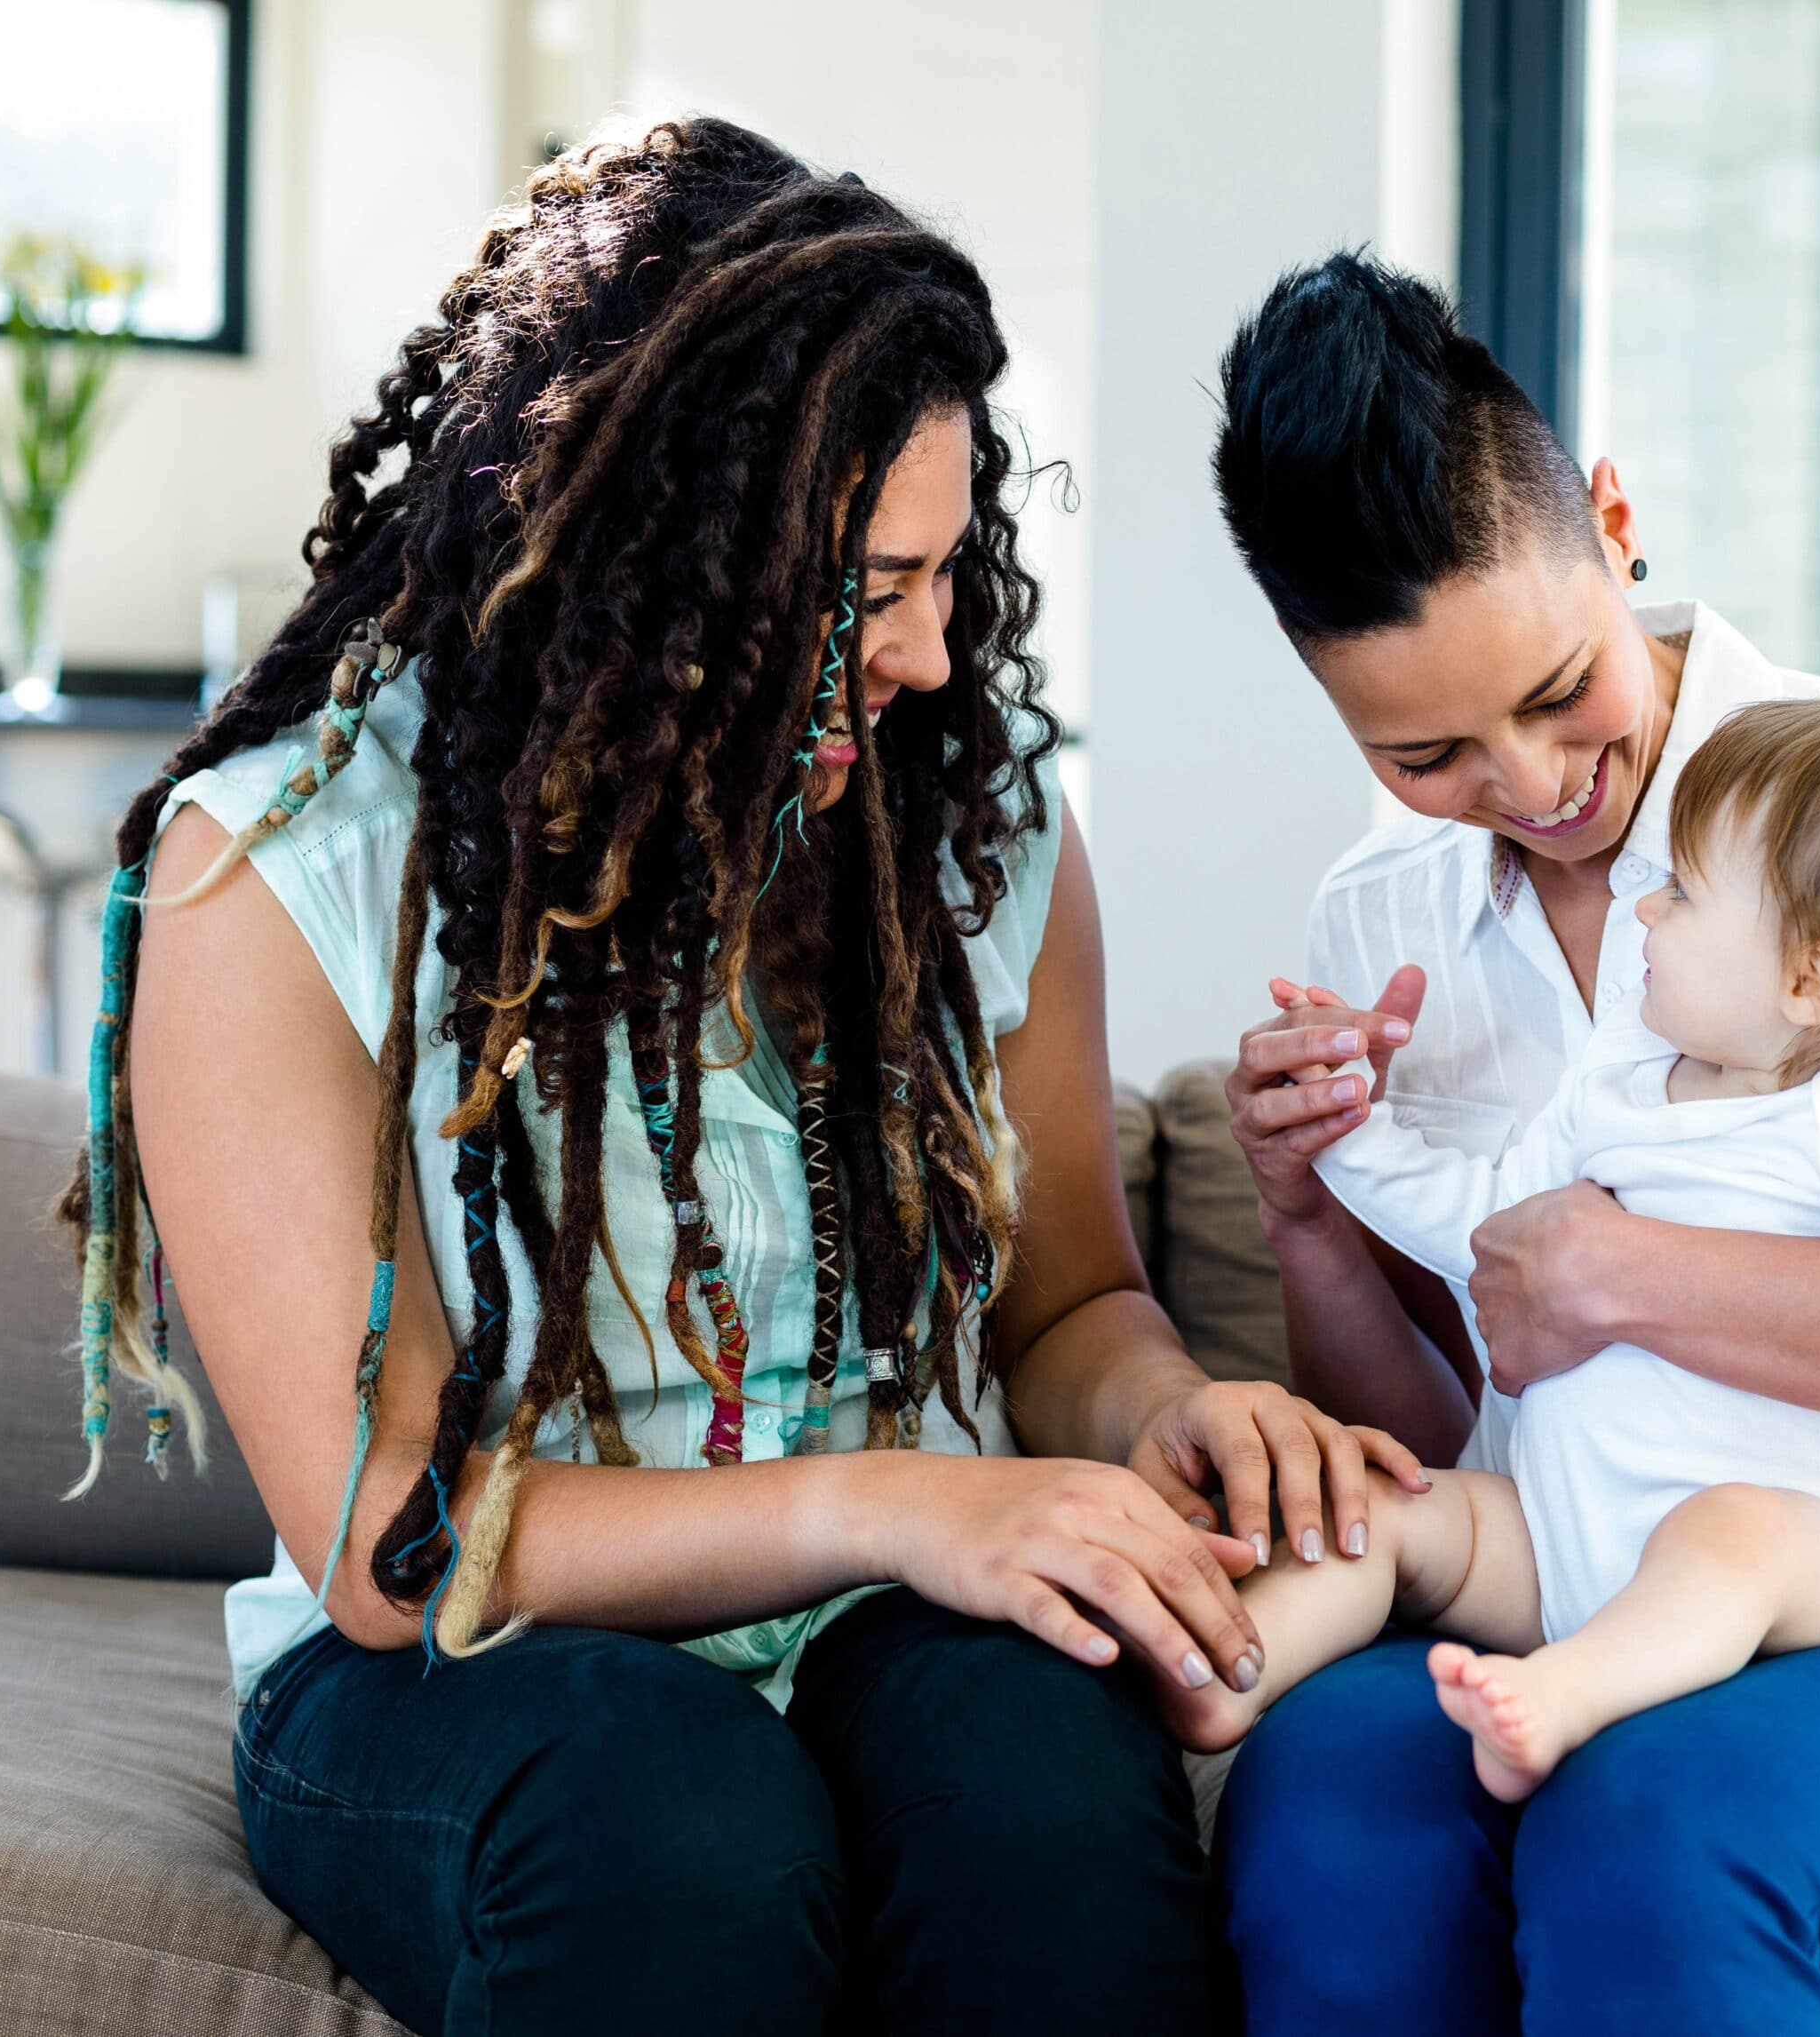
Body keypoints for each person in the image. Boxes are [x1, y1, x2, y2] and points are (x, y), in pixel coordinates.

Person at [70, 123, 1422, 2037]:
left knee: (1046, 1788)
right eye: (869, 592)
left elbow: (1071, 1311)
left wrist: (1171, 1410)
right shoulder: (279, 866)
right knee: (680, 1824)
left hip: (894, 1611)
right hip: (465, 1671)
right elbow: (401, 1542)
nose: (937, 660)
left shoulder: (975, 825)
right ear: (651, 569)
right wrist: (889, 1506)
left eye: (951, 577)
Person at [1209, 253, 1820, 2036]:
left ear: (1615, 528)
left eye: (1556, 689)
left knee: (1663, 1831)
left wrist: (1630, 1274)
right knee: (1327, 1817)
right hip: (1570, 1588)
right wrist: (1303, 1212)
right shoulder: (1382, 923)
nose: (1527, 787)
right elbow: (1450, 1444)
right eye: (1428, 749)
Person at [1152, 691, 1820, 1806]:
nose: (1641, 915)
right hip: (1557, 1548)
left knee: (1732, 1532)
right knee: (1396, 1516)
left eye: (1681, 892)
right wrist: (1344, 1132)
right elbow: (1486, 1220)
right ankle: (1216, 1672)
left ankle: (1564, 1700)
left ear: (1806, 981)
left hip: (1792, 1568)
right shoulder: (1623, 1085)